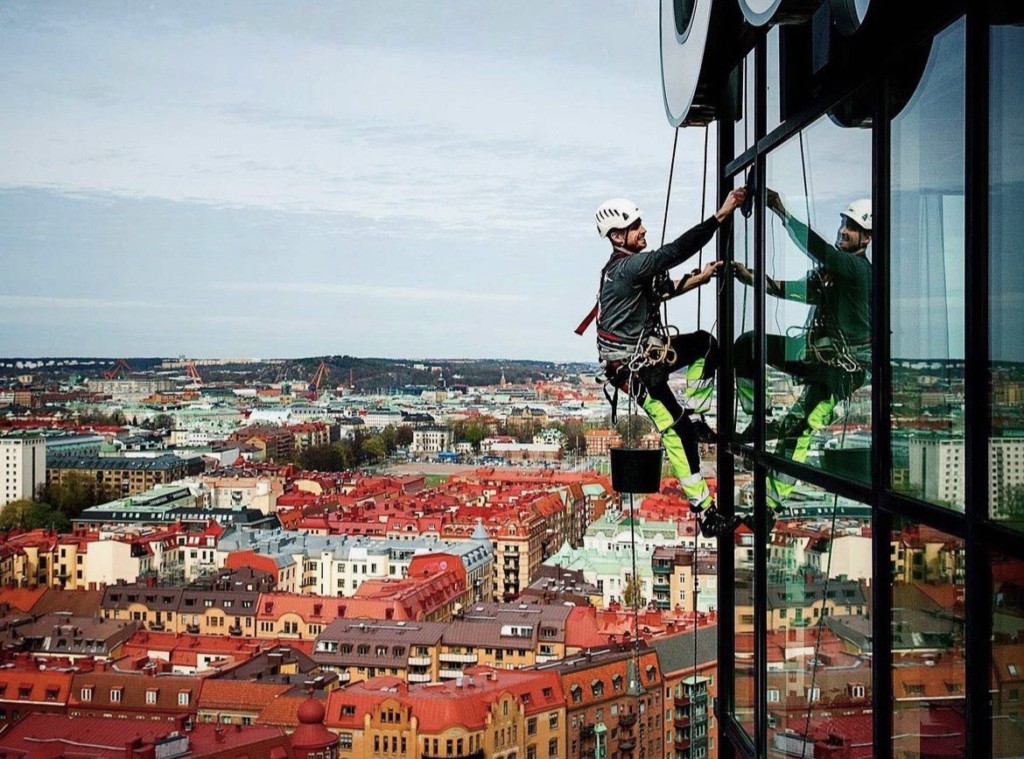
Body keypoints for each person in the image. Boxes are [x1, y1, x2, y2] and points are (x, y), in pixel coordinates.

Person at [593, 188, 746, 538]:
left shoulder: (626, 270)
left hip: (648, 356)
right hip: (635, 370)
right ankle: (705, 513)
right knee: (676, 433)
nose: (643, 229)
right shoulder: (629, 266)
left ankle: (695, 415)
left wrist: (700, 279)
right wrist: (720, 216)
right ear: (618, 237)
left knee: (706, 345)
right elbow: (675, 252)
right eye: (636, 226)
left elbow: (662, 289)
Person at [732, 192, 871, 526]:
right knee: (748, 346)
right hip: (816, 357)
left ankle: (769, 508)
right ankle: (759, 418)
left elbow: (818, 249)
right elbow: (794, 290)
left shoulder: (855, 269)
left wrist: (782, 212)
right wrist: (750, 277)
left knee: (800, 429)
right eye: (843, 223)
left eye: (851, 227)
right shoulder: (835, 272)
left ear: (867, 238)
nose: (843, 230)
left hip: (840, 372)